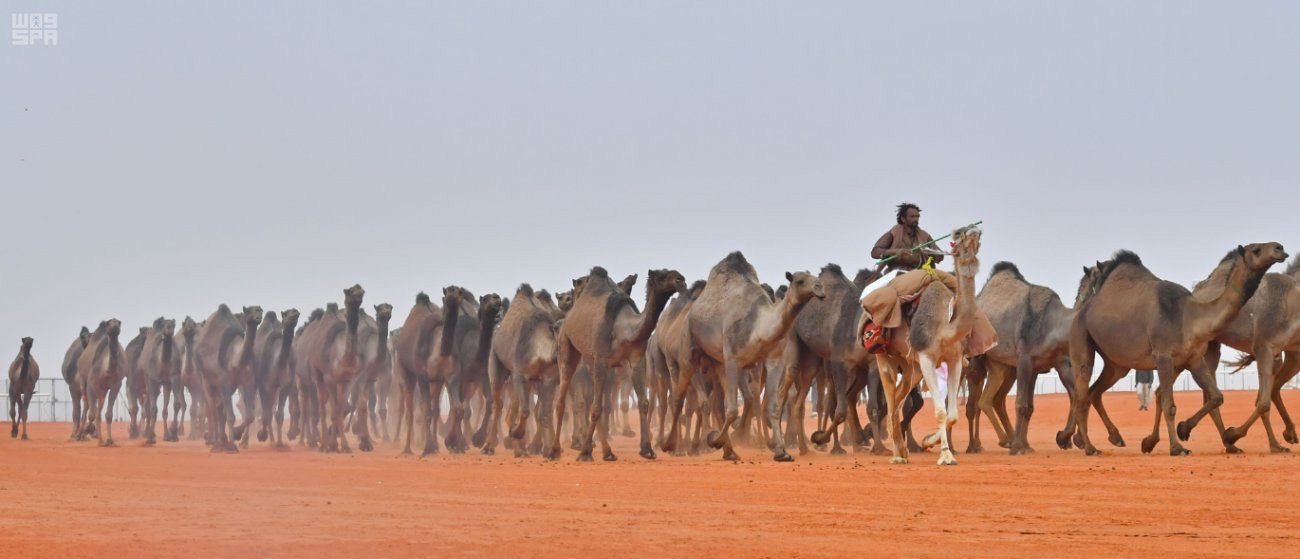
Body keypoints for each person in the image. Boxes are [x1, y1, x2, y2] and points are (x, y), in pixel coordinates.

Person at [871, 202, 944, 274]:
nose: (916, 219)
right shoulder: (894, 232)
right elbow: (875, 252)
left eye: (917, 216)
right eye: (912, 216)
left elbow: (938, 254)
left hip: (921, 273)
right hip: (896, 273)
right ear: (903, 219)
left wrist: (938, 254)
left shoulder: (925, 235)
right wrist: (895, 251)